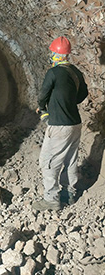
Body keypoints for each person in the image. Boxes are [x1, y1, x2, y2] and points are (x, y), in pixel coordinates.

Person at [32, 36, 88, 211]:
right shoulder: (76, 72)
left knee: (48, 161)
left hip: (59, 126)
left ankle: (51, 199)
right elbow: (82, 95)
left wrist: (42, 109)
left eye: (52, 52)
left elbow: (43, 95)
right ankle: (70, 193)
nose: (51, 55)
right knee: (71, 159)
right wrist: (66, 102)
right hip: (75, 124)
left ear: (56, 54)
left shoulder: (54, 73)